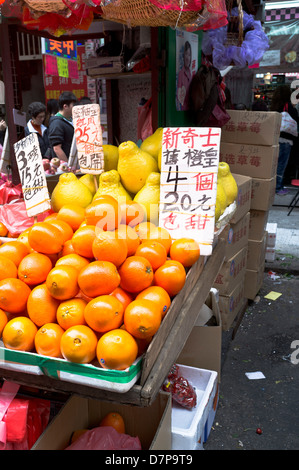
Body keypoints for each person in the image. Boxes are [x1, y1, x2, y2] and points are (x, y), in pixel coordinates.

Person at [270, 85, 299, 195]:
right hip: (286, 140)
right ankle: (278, 187)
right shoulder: (288, 107)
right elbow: (295, 119)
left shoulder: (274, 106)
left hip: (274, 138)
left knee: (274, 164)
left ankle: (272, 186)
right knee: (281, 164)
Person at [48, 91, 77, 163]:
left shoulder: (71, 119)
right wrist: (68, 166)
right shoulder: (56, 123)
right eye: (73, 105)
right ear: (65, 106)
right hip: (65, 167)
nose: (75, 108)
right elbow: (57, 148)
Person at [177, 41, 192, 111]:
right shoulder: (181, 74)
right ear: (183, 56)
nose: (187, 58)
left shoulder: (190, 73)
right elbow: (178, 97)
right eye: (186, 54)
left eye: (189, 55)